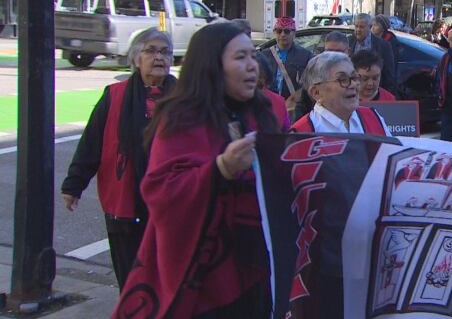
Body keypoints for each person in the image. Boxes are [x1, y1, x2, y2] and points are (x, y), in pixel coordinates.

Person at [113, 22, 285, 318]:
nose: (251, 66)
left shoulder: (262, 113)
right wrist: (220, 169)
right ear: (212, 65)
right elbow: (161, 190)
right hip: (202, 279)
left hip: (256, 270)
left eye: (253, 57)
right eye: (240, 57)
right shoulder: (181, 118)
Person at [61, 28, 176, 290]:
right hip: (126, 200)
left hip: (171, 201)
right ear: (136, 58)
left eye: (164, 52)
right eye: (150, 51)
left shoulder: (185, 97)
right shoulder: (115, 95)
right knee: (131, 276)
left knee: (167, 278)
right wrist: (73, 185)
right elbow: (91, 142)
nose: (158, 57)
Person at [291, 51, 392, 136]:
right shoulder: (301, 134)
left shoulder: (373, 117)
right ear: (316, 92)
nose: (353, 84)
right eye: (342, 79)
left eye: (354, 77)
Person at [293, 31, 352, 121]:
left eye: (338, 52)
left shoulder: (356, 75)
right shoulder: (314, 73)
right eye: (329, 52)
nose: (333, 57)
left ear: (348, 51)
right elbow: (303, 105)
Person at [260, 17, 313, 100]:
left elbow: (309, 83)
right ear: (274, 33)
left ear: (294, 34)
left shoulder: (306, 56)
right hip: (269, 102)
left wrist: (296, 99)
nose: (282, 34)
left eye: (287, 31)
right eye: (279, 31)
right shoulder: (264, 55)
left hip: (293, 105)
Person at [350, 13, 397, 95]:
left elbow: (389, 75)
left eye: (361, 27)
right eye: (356, 26)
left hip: (373, 94)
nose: (358, 30)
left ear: (370, 27)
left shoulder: (383, 45)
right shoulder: (349, 42)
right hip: (352, 92)